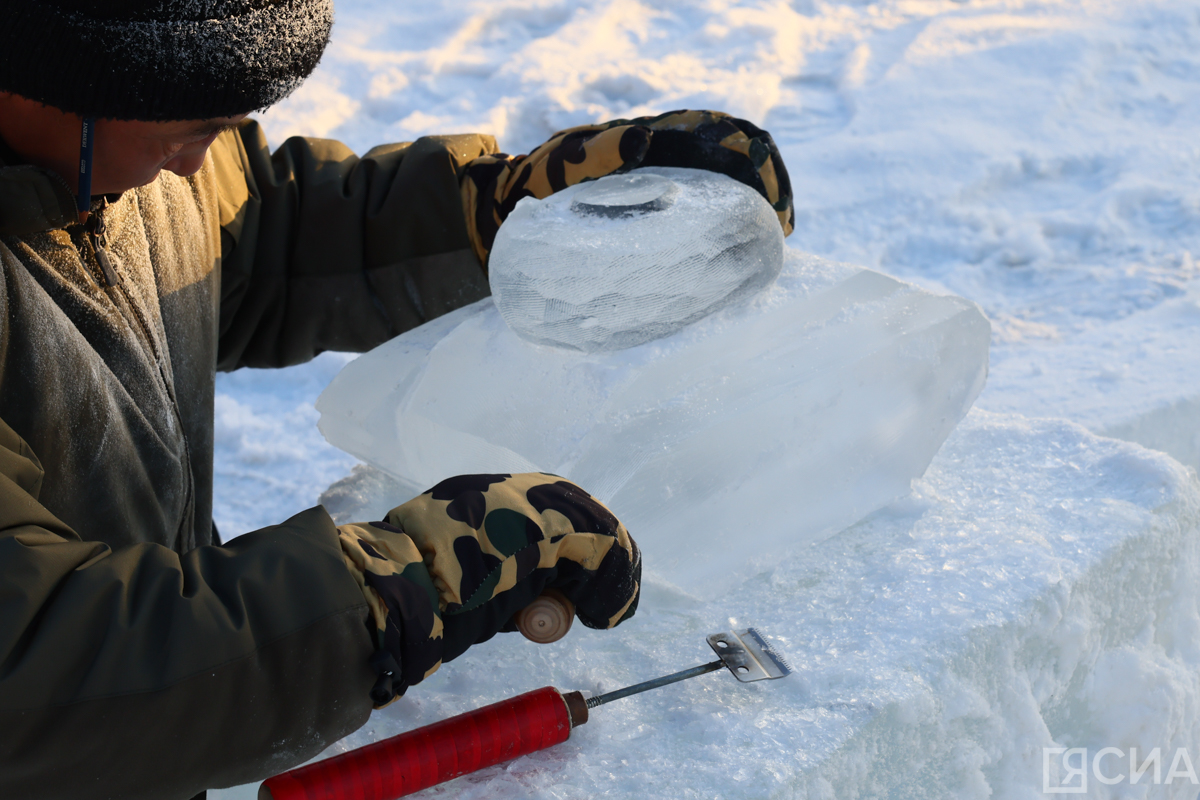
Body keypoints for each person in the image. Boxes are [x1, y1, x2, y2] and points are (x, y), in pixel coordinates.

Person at [0, 2, 793, 798]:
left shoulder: (126, 141)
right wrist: (407, 585)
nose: (202, 160)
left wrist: (502, 208)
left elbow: (250, 234)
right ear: (39, 71)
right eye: (194, 126)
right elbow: (38, 667)